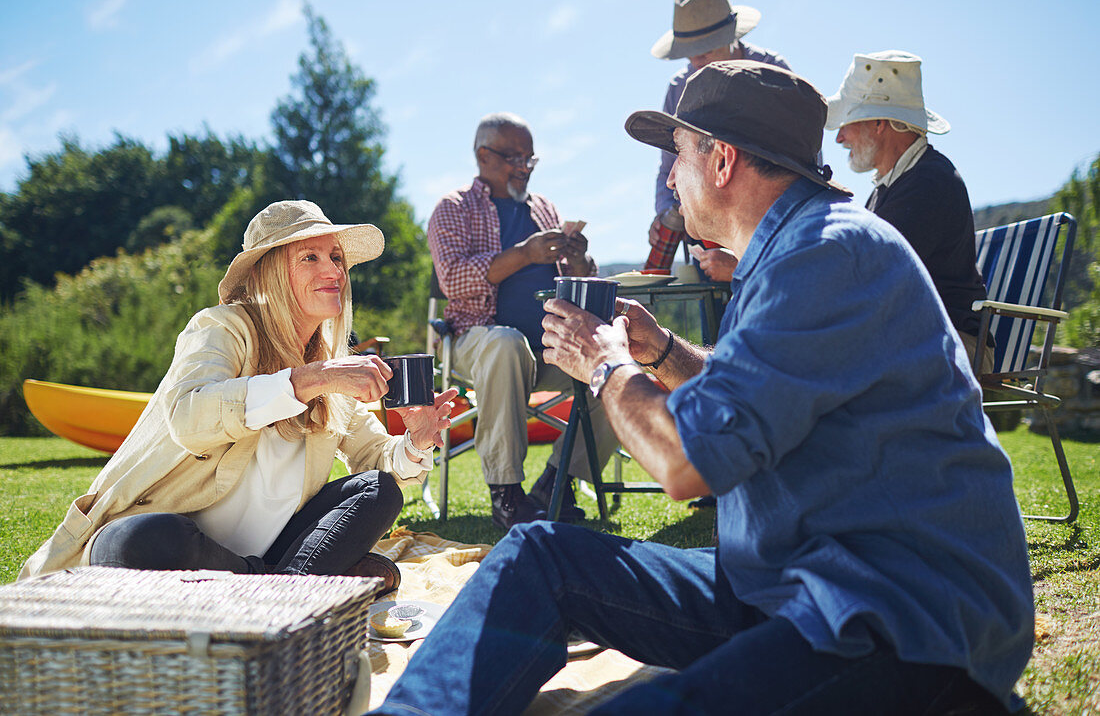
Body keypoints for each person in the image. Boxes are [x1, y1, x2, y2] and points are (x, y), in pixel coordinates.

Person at [372, 63, 1033, 715]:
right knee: (539, 553)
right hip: (790, 581)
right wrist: (658, 351)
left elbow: (688, 461)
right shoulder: (791, 252)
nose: (667, 176)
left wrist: (605, 367)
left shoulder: (828, 255)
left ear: (722, 161)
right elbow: (747, 390)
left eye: (678, 151)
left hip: (902, 618)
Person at [20, 200, 457, 594]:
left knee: (378, 490)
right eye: (311, 257)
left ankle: (272, 590)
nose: (334, 271)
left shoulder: (329, 368)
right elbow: (190, 415)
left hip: (260, 554)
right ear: (268, 272)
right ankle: (296, 588)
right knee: (149, 540)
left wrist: (415, 441)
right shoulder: (222, 329)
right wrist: (310, 378)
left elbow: (376, 461)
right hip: (165, 540)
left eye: (337, 258)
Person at [427, 112, 617, 529]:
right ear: (483, 155)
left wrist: (580, 260)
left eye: (530, 159)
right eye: (514, 157)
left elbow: (578, 282)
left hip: (550, 347)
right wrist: (525, 255)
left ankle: (558, 483)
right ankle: (506, 493)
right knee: (507, 343)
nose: (523, 168)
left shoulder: (544, 208)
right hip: (476, 341)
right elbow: (454, 280)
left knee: (616, 365)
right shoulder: (454, 208)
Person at [827, 50, 993, 375]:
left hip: (954, 343)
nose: (839, 137)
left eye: (847, 124)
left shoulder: (929, 181)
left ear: (879, 123)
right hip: (920, 334)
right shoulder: (892, 185)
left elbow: (870, 274)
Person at [645, 0, 790, 285]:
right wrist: (665, 213)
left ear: (730, 37)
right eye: (689, 53)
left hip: (771, 226)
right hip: (707, 234)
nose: (696, 61)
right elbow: (668, 168)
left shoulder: (772, 71)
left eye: (706, 48)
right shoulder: (678, 88)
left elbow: (801, 155)